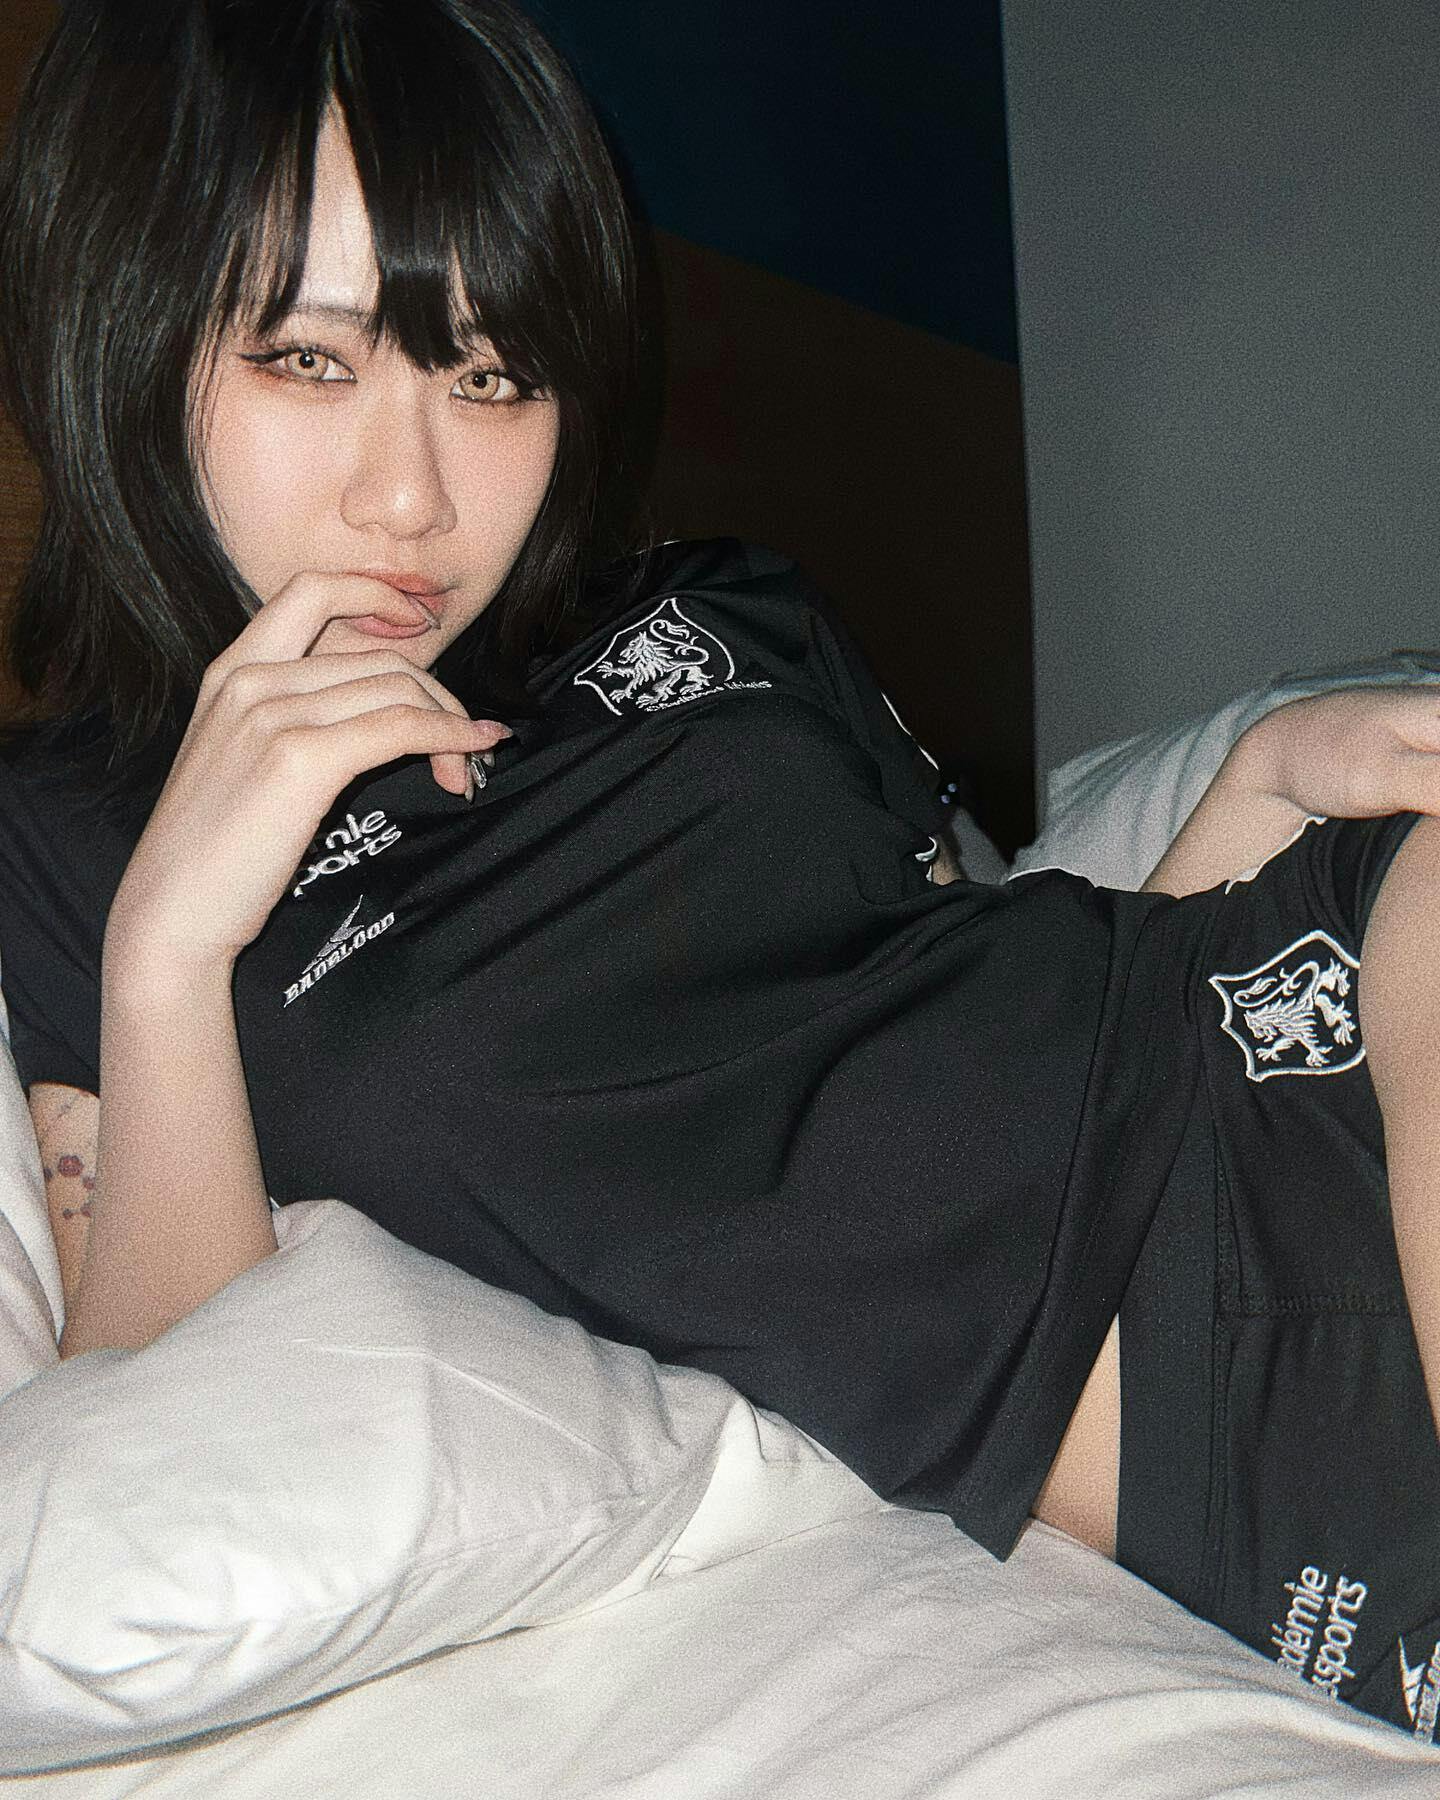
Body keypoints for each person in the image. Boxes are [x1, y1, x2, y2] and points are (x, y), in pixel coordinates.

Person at [1, 0, 1439, 1740]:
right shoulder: (80, 839)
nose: (413, 497)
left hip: (1320, 1040)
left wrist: (1257, 788)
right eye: (310, 362)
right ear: (125, 328)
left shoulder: (724, 605)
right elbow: (156, 1430)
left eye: (492, 377)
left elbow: (972, 992)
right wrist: (169, 949)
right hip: (1221, 1448)